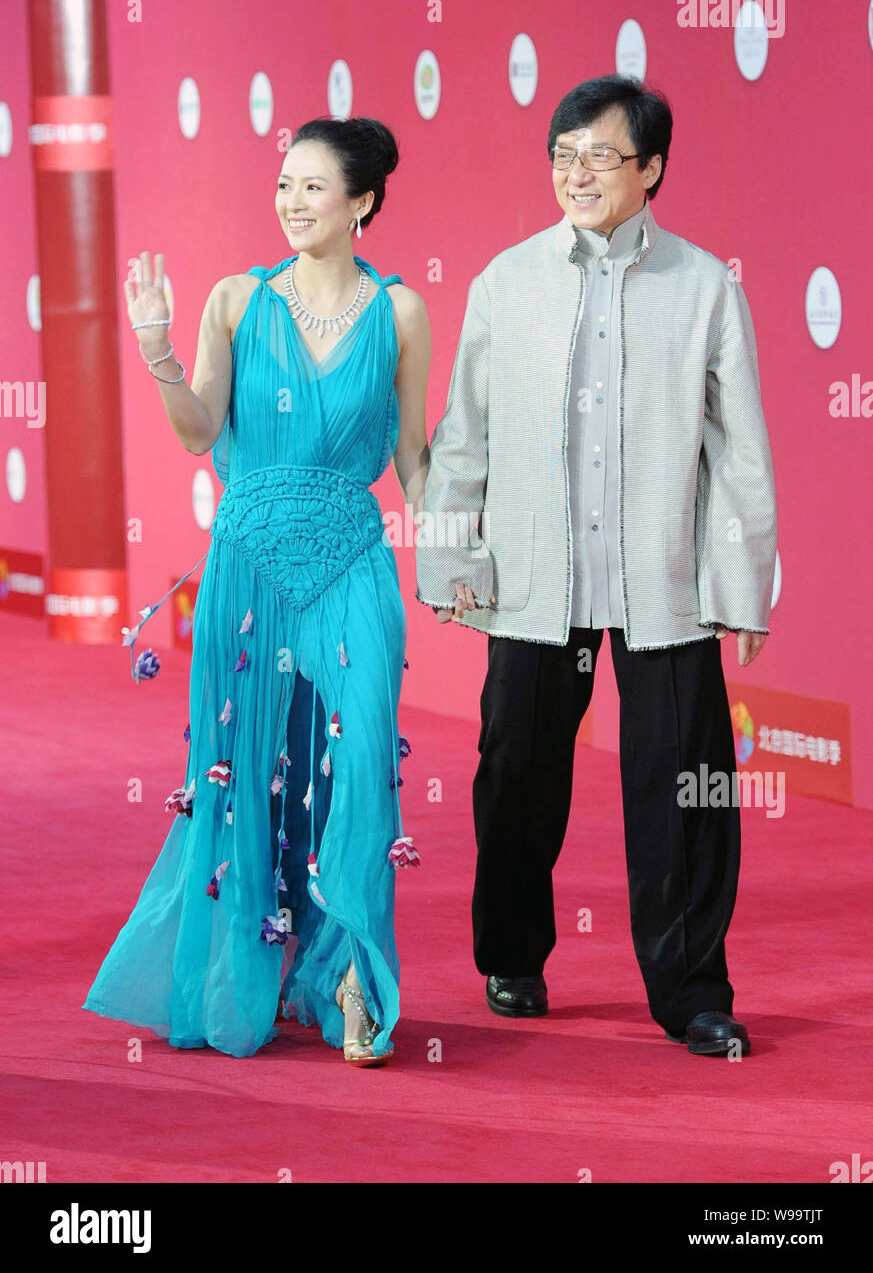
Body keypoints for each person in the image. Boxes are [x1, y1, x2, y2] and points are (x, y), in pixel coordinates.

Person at [415, 74, 777, 1058]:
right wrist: (452, 552)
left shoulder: (704, 285)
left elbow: (737, 448)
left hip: (665, 581)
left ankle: (693, 988)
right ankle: (512, 953)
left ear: (651, 168)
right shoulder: (508, 280)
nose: (577, 174)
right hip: (538, 577)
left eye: (601, 157)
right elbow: (463, 435)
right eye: (563, 156)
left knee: (687, 784)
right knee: (517, 769)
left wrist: (739, 586)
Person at [84, 117, 432, 1066]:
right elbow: (201, 432)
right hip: (247, 561)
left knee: (360, 755)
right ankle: (248, 969)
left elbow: (412, 458)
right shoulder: (237, 299)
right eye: (283, 183)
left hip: (353, 558)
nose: (290, 202)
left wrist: (455, 557)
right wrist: (156, 351)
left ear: (362, 202)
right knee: (247, 765)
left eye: (313, 186)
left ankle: (355, 980)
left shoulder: (400, 314)